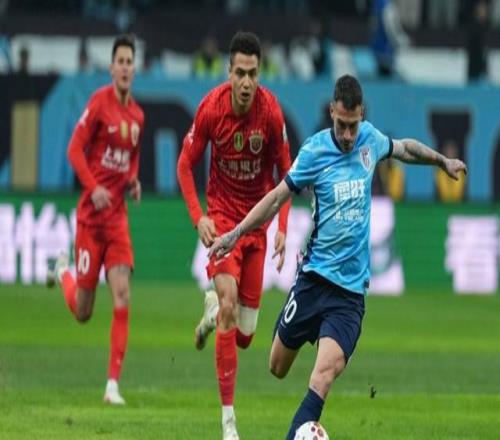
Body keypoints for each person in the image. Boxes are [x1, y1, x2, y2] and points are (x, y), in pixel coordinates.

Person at [209, 74, 467, 439]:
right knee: (277, 367)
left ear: (362, 115)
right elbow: (276, 197)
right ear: (332, 111)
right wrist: (236, 234)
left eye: (353, 125)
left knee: (323, 376)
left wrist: (442, 161)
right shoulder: (314, 152)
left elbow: (405, 149)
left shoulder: (369, 140)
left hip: (348, 295)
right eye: (342, 125)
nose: (347, 135)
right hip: (313, 279)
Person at [177, 31, 291, 440]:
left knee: (243, 336)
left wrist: (282, 227)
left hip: (257, 225)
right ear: (229, 72)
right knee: (229, 303)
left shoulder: (271, 113)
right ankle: (229, 422)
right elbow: (184, 165)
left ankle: (211, 316)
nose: (246, 82)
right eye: (239, 73)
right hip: (224, 222)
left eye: (253, 74)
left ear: (260, 74)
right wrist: (199, 218)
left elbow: (288, 174)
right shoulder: (211, 108)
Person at [46, 34, 144, 405]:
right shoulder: (99, 103)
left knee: (122, 294)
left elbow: (131, 158)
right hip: (90, 219)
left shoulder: (138, 116)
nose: (125, 67)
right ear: (111, 68)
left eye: (129, 62)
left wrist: (132, 181)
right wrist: (93, 187)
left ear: (134, 68)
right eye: (120, 61)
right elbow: (74, 149)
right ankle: (63, 271)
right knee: (83, 311)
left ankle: (112, 385)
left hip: (117, 220)